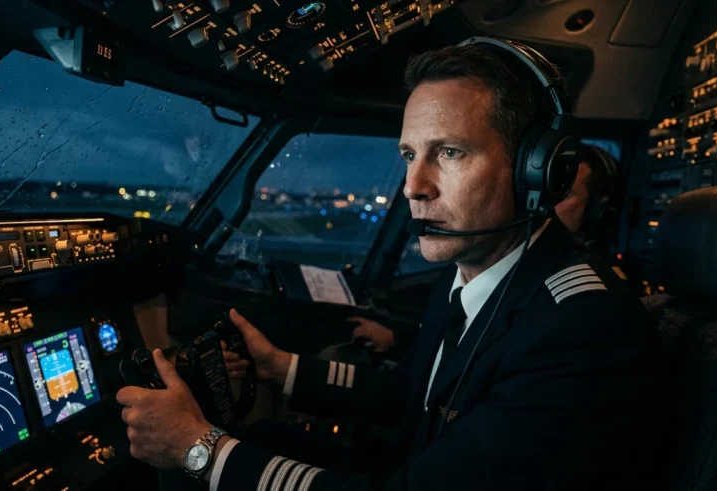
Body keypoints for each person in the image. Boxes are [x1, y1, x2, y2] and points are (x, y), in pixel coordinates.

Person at [116, 39, 663, 490]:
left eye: (450, 152)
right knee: (262, 441)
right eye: (409, 155)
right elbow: (411, 394)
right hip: (412, 463)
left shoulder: (579, 328)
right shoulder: (473, 272)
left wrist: (199, 449)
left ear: (534, 170)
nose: (413, 187)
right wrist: (282, 368)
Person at [353, 142, 626, 353]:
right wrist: (395, 337)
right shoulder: (470, 268)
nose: (544, 204)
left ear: (597, 210)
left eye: (563, 194)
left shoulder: (589, 300)